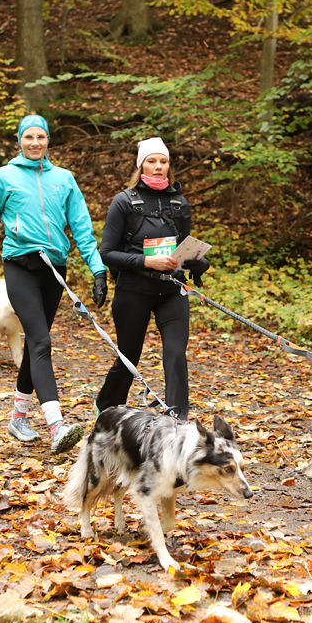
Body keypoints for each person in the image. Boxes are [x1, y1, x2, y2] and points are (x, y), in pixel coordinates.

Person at [0, 114, 109, 454]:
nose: (35, 143)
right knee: (41, 341)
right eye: (28, 137)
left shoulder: (64, 179)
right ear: (19, 140)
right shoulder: (2, 177)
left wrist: (97, 270)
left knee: (34, 344)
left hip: (54, 271)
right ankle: (57, 424)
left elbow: (82, 228)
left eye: (40, 137)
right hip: (20, 267)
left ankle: (18, 416)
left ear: (47, 140)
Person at [94, 137, 210, 421]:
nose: (158, 166)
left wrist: (198, 263)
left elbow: (183, 248)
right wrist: (147, 261)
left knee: (175, 355)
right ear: (141, 165)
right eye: (152, 161)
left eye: (163, 161)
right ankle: (107, 407)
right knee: (129, 356)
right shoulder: (123, 201)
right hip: (133, 290)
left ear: (169, 166)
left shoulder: (179, 203)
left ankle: (177, 422)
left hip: (171, 291)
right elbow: (107, 253)